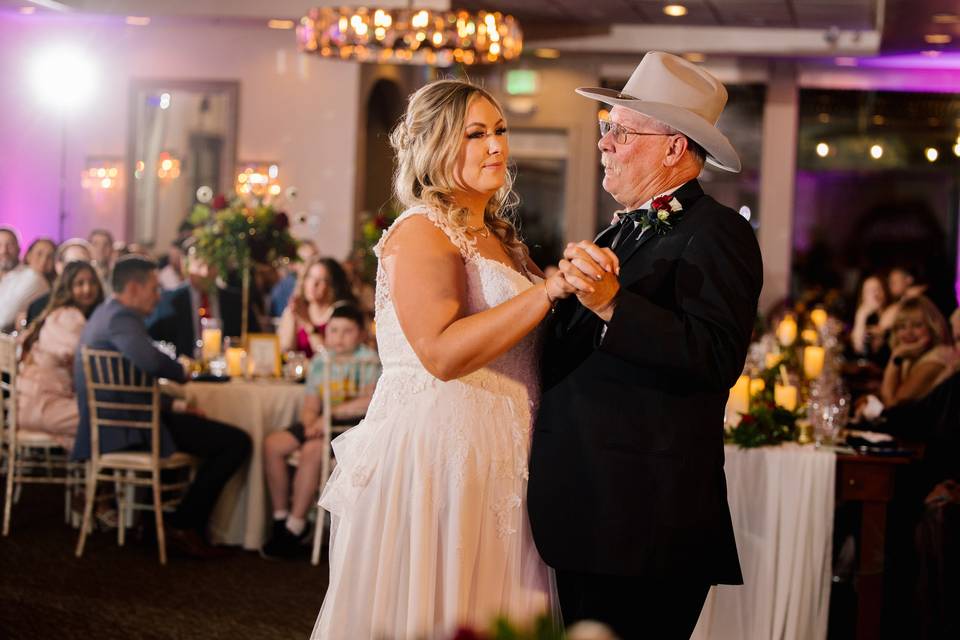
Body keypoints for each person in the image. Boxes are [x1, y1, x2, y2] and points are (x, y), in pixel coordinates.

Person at [312, 79, 580, 639]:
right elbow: (440, 352)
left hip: (506, 454)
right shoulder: (420, 232)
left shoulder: (504, 240)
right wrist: (546, 291)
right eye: (476, 134)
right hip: (442, 453)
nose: (496, 147)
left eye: (501, 131)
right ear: (434, 145)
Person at [528, 51, 763, 640]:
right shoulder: (617, 229)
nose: (604, 143)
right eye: (605, 129)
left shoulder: (719, 232)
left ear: (674, 147)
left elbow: (716, 357)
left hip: (646, 522)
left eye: (620, 131)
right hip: (589, 510)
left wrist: (613, 304)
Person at [71, 256, 252, 558]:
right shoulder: (121, 318)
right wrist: (184, 371)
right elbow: (151, 362)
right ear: (133, 287)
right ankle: (183, 524)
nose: (159, 296)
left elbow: (128, 384)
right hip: (129, 429)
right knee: (236, 443)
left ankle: (155, 524)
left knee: (200, 430)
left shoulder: (106, 314)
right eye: (154, 289)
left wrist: (176, 406)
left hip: (121, 420)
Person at [261, 305, 379, 559]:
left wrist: (329, 416)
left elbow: (369, 401)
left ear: (360, 334)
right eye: (333, 330)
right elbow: (310, 405)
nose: (339, 337)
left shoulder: (368, 360)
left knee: (313, 450)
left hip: (348, 425)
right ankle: (280, 516)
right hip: (320, 422)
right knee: (273, 444)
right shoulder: (320, 362)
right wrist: (311, 421)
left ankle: (296, 523)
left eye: (347, 331)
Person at [16, 261, 104, 451]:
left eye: (92, 283)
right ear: (68, 288)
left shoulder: (57, 313)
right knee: (110, 418)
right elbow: (88, 362)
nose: (87, 289)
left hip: (28, 406)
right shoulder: (68, 317)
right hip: (46, 408)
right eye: (79, 284)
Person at [147, 244, 260, 357]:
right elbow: (152, 341)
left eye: (211, 265)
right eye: (199, 265)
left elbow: (254, 339)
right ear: (186, 266)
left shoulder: (237, 302)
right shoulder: (168, 301)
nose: (205, 272)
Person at [880, 295, 956, 407]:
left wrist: (896, 356)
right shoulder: (914, 355)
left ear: (932, 326)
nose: (908, 333)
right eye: (902, 326)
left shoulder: (936, 360)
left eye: (917, 325)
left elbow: (892, 404)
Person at [277, 256, 355, 358]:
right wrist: (293, 317)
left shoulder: (340, 313)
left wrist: (308, 324)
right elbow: (284, 353)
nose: (313, 284)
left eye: (321, 280)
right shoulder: (296, 310)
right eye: (310, 277)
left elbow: (329, 358)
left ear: (333, 285)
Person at [26, 238, 95, 324]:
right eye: (73, 265)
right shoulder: (40, 306)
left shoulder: (99, 308)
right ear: (59, 266)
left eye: (85, 265)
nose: (80, 271)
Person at [0, 237, 56, 332]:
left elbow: (3, 319)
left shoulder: (34, 278)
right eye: (39, 254)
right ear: (29, 255)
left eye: (50, 256)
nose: (44, 260)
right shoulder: (17, 275)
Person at [270, 239, 318, 317]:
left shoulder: (321, 283)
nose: (311, 265)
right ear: (294, 264)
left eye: (314, 259)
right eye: (306, 260)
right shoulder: (283, 288)